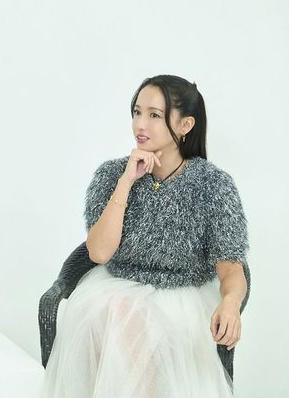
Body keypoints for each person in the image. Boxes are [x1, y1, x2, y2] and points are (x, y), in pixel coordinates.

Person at [40, 75, 248, 397]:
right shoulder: (111, 174)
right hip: (115, 292)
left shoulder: (213, 185)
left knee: (127, 318)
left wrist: (231, 303)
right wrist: (126, 182)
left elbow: (231, 267)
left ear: (185, 125)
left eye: (154, 115)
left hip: (181, 299)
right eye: (137, 112)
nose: (140, 124)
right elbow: (98, 253)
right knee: (112, 313)